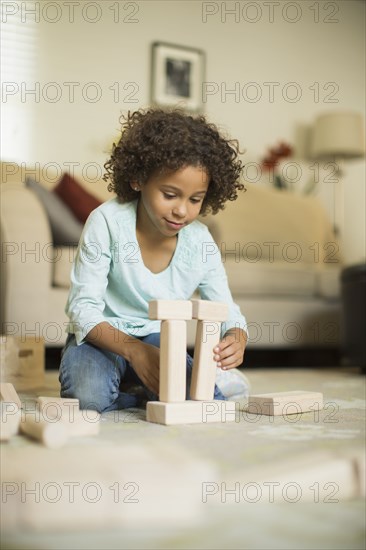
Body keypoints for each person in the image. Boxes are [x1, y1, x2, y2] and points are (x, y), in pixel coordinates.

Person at [59, 108, 250, 412]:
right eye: (170, 194)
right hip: (103, 337)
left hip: (158, 338)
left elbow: (226, 309)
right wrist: (135, 351)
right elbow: (82, 309)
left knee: (201, 397)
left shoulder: (200, 241)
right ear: (138, 179)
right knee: (88, 398)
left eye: (195, 199)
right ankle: (137, 388)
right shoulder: (106, 222)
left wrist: (236, 336)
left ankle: (135, 388)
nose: (182, 211)